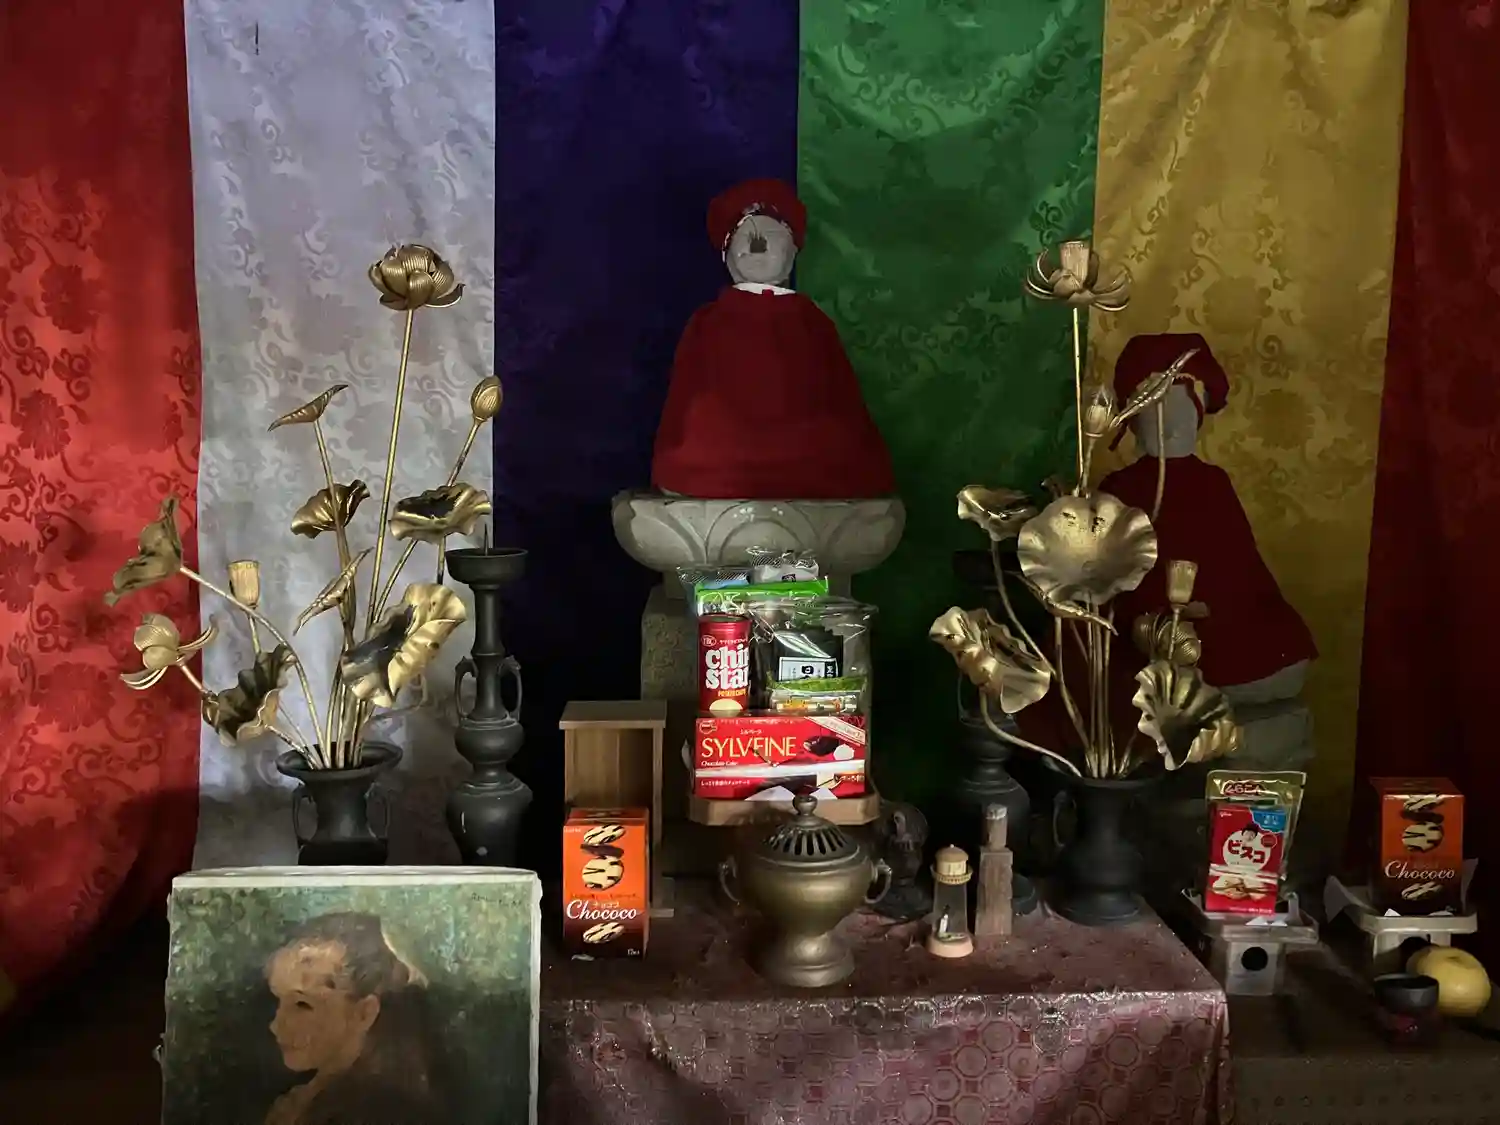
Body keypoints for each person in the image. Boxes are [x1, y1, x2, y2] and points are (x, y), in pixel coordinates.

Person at [651, 177, 896, 499]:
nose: (757, 246)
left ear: (793, 252)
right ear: (726, 254)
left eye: (771, 236)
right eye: (745, 237)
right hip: (725, 447)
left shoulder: (814, 323)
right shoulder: (706, 322)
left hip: (803, 443)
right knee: (699, 429)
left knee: (838, 439)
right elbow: (684, 398)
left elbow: (841, 396)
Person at [263, 911, 446, 1125]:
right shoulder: (301, 1100)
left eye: (302, 1005)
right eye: (280, 1001)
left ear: (364, 1013)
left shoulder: (383, 1114)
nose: (276, 1025)